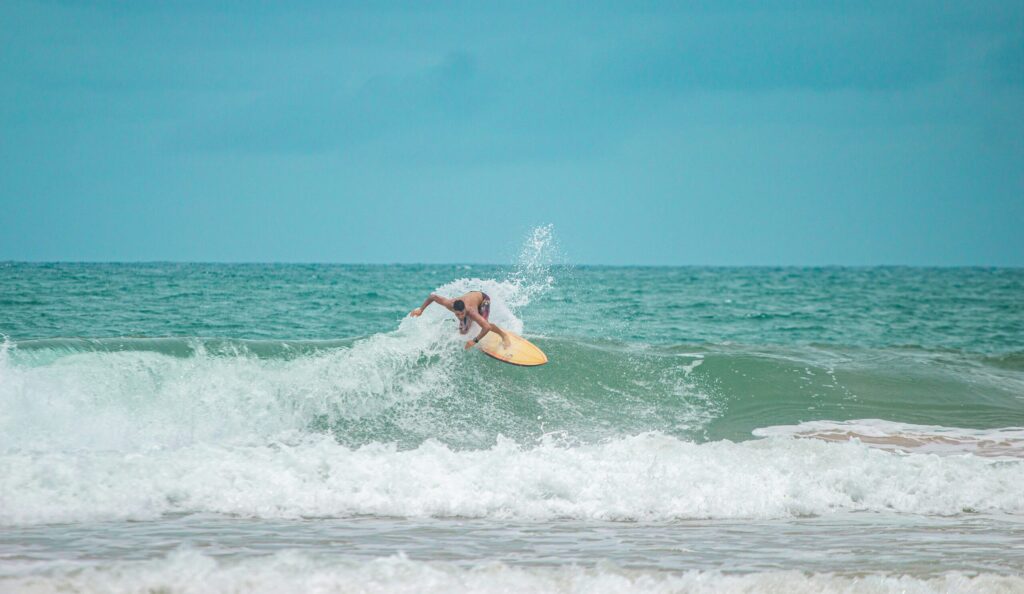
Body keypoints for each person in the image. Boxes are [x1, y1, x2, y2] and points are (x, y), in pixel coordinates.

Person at [410, 290, 511, 350]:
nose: (460, 316)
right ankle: (475, 330)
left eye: (462, 313)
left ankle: (503, 335)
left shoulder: (471, 312)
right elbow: (433, 296)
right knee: (463, 331)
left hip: (483, 299)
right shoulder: (449, 304)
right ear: (453, 309)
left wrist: (474, 341)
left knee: (485, 323)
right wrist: (421, 310)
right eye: (457, 314)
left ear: (465, 310)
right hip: (471, 295)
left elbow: (487, 327)